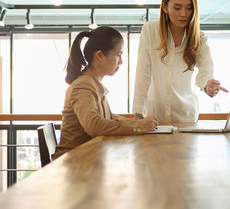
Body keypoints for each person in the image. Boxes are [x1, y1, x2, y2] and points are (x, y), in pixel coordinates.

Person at [53, 26, 158, 159]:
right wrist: (138, 126)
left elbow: (108, 117)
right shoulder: (83, 86)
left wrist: (137, 123)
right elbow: (94, 126)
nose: (121, 62)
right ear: (100, 55)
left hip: (85, 158)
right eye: (118, 55)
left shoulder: (92, 83)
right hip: (73, 163)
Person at [133, 0, 228, 122]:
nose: (183, 14)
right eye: (177, 8)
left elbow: (205, 72)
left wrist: (207, 85)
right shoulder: (150, 31)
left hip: (186, 118)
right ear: (165, 7)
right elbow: (143, 74)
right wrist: (138, 112)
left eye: (189, 8)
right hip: (154, 117)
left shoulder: (199, 38)